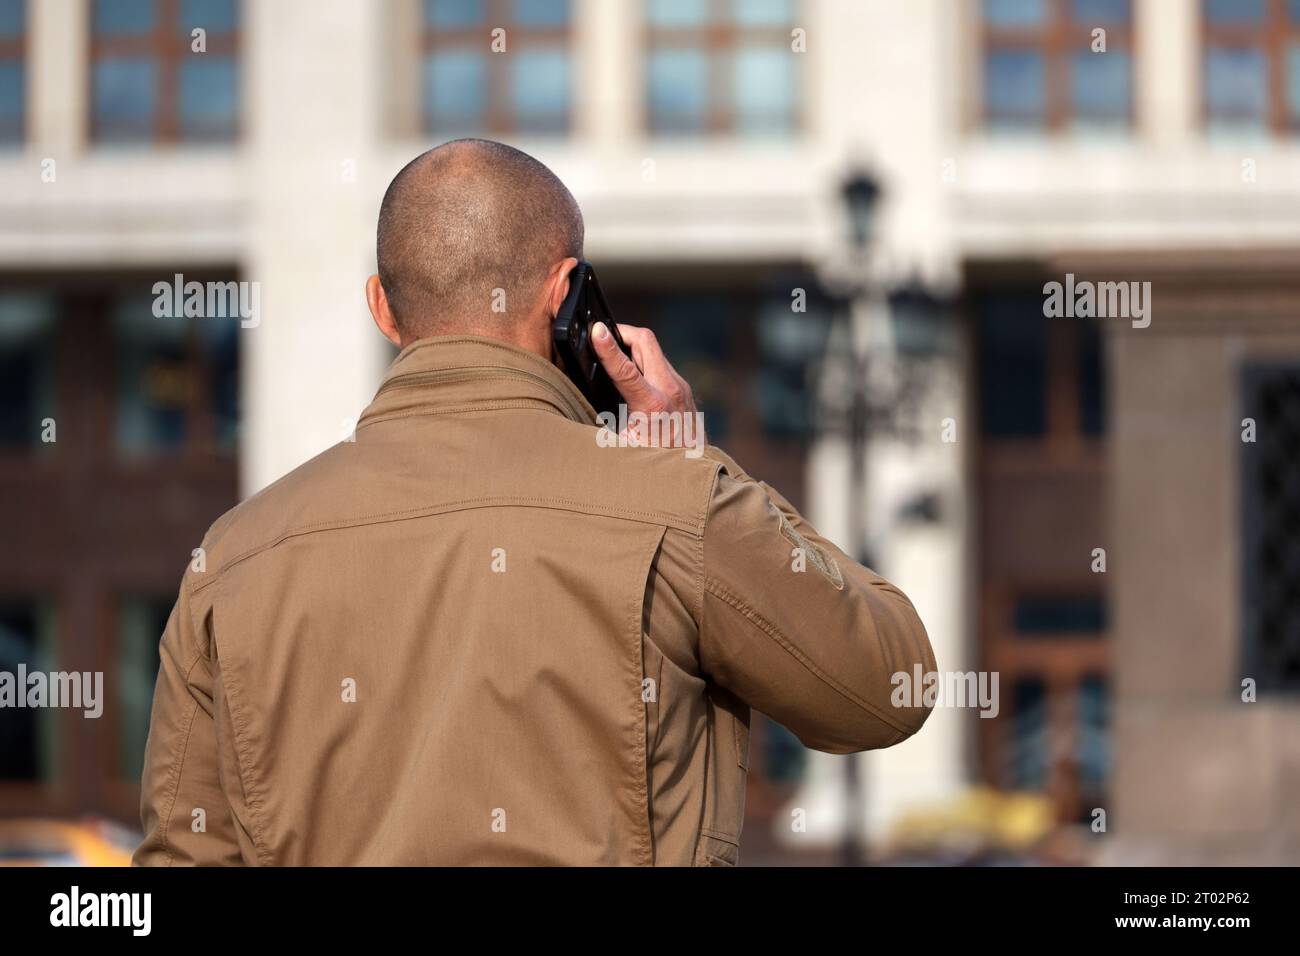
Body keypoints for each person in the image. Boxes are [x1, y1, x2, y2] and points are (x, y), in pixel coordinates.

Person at [135, 139, 936, 866]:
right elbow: (888, 688)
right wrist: (697, 467)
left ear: (382, 308)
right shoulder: (674, 504)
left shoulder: (232, 558)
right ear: (567, 296)